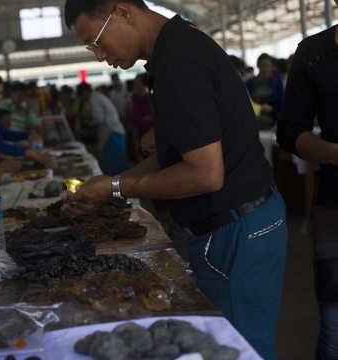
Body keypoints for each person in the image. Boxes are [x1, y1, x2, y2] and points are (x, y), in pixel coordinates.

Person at [62, 1, 286, 359]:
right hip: (236, 224)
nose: (101, 56)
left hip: (237, 229)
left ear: (123, 12)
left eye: (97, 42)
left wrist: (116, 187)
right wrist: (110, 184)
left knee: (238, 349)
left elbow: (204, 173)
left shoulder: (180, 61)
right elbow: (172, 158)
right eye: (92, 48)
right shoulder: (173, 52)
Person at [276, 14, 338, 360]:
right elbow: (290, 130)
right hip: (336, 202)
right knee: (335, 333)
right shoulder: (314, 53)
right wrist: (331, 152)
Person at [77, 82, 128, 176]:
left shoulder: (94, 99)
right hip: (113, 132)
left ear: (85, 92)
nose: (83, 99)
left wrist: (90, 129)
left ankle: (117, 188)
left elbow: (99, 119)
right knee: (117, 164)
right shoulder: (97, 96)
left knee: (115, 165)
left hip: (112, 134)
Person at [245, 53, 284, 126]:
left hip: (273, 116)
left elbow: (281, 100)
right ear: (258, 66)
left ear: (272, 67)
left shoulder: (276, 81)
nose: (265, 69)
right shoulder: (249, 83)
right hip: (256, 115)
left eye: (268, 66)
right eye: (262, 66)